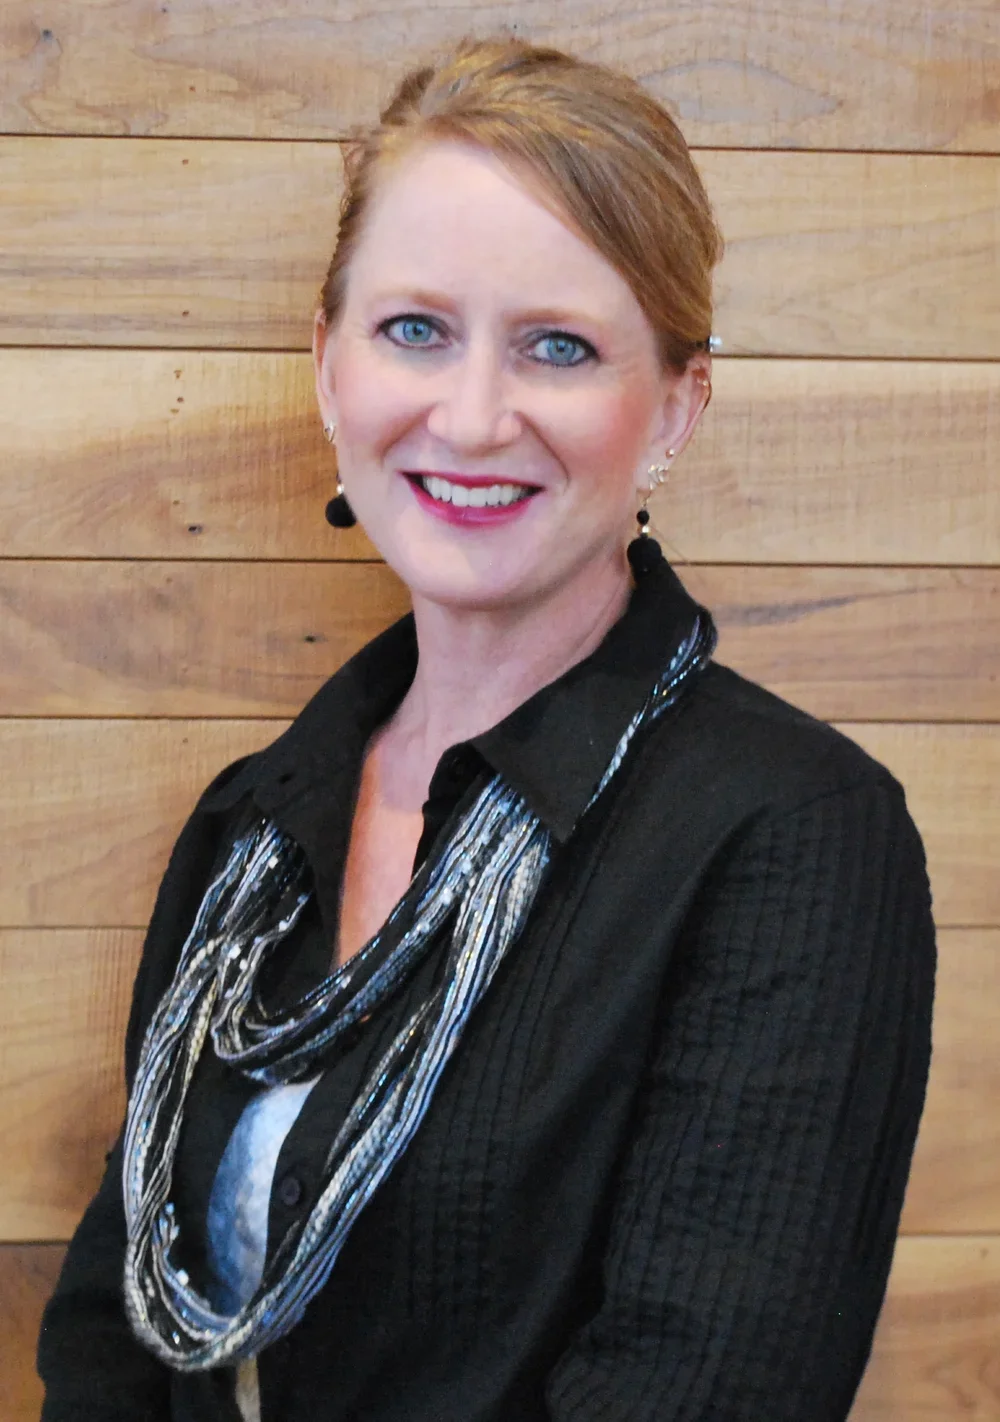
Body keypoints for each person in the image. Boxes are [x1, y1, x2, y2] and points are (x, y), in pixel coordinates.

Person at [37, 36, 935, 1422]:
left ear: (675, 409)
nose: (470, 414)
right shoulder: (254, 827)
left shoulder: (792, 835)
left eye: (559, 346)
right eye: (415, 330)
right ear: (329, 368)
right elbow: (116, 1325)